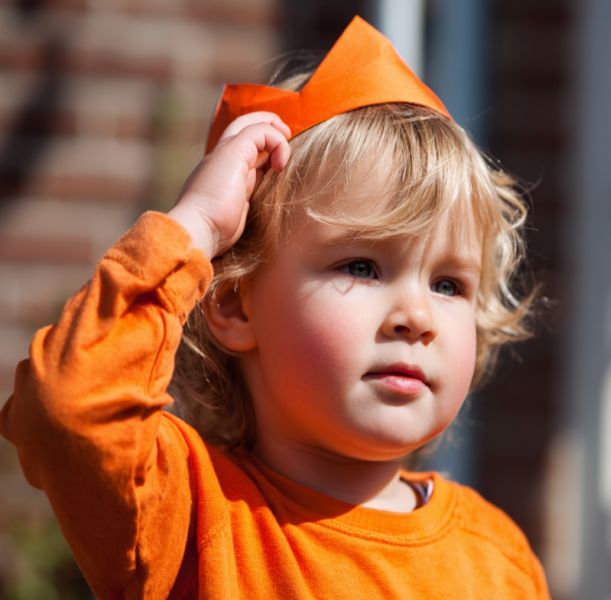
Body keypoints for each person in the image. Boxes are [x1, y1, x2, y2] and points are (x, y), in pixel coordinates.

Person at [0, 16, 550, 599]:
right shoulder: (186, 511)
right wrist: (197, 228)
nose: (416, 315)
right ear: (235, 303)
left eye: (448, 284)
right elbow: (70, 408)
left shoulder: (500, 558)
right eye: (362, 267)